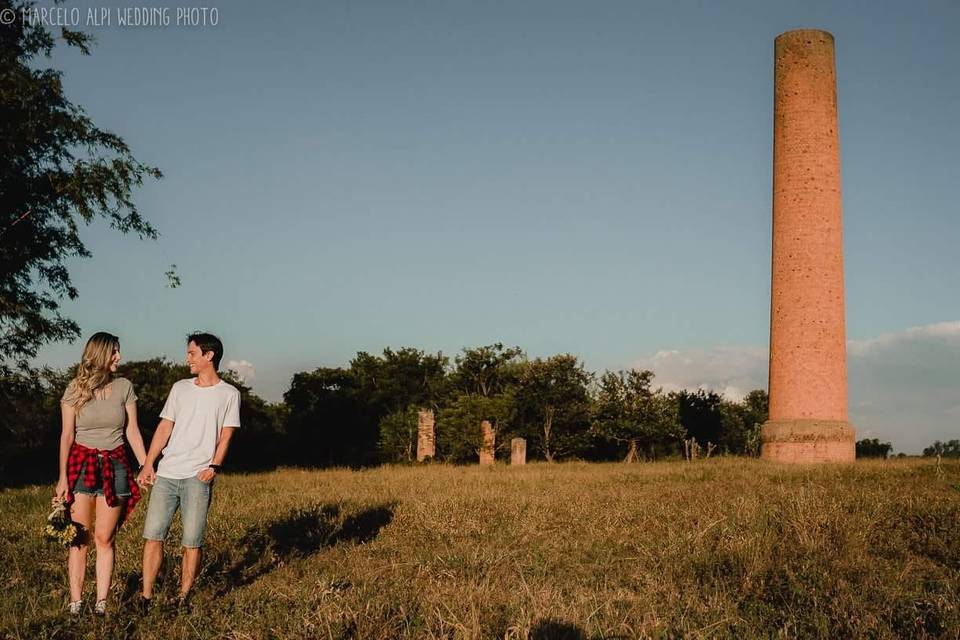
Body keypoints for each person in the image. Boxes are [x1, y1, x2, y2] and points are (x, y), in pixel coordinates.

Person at [137, 332, 240, 608]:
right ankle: (145, 596)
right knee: (153, 535)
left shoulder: (229, 394)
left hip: (198, 477)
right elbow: (164, 427)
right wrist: (149, 462)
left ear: (209, 356)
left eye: (192, 353)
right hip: (168, 473)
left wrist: (214, 466)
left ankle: (183, 597)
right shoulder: (180, 388)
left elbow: (226, 436)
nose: (187, 359)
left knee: (192, 540)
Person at [56, 332, 147, 616]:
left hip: (116, 465)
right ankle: (75, 603)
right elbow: (67, 435)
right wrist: (63, 478)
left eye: (119, 351)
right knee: (78, 539)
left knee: (105, 538)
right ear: (101, 354)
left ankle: (101, 604)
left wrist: (146, 464)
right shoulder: (74, 389)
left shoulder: (125, 387)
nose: (119, 357)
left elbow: (132, 430)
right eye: (115, 352)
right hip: (81, 465)